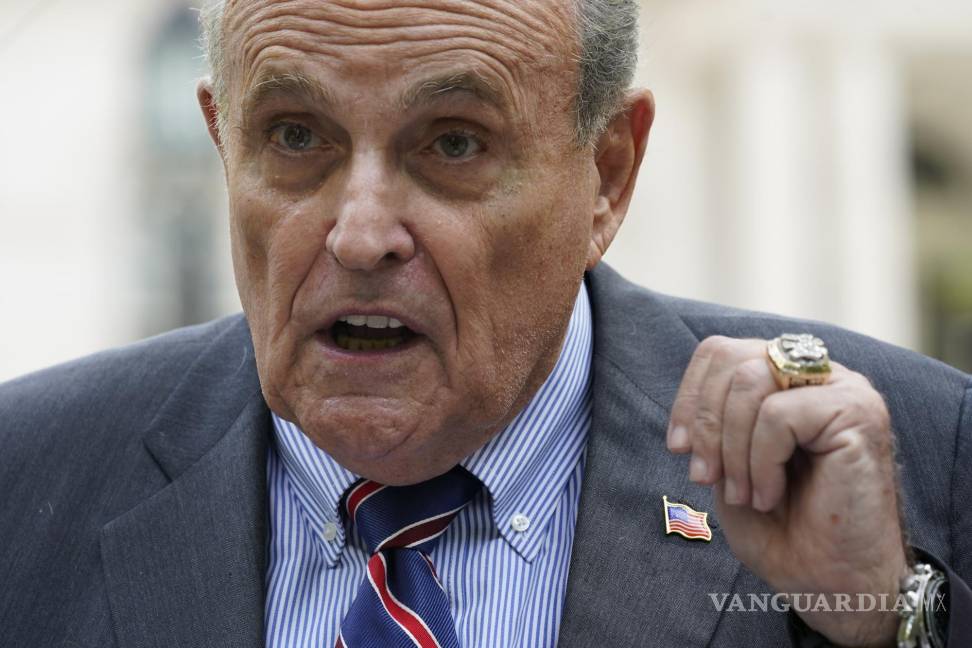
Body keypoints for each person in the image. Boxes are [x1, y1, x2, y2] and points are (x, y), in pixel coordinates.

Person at [1, 0, 970, 646]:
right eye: (295, 136)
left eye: (453, 144)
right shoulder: (25, 482)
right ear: (224, 142)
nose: (361, 235)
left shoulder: (919, 463)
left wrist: (884, 621)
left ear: (607, 176)